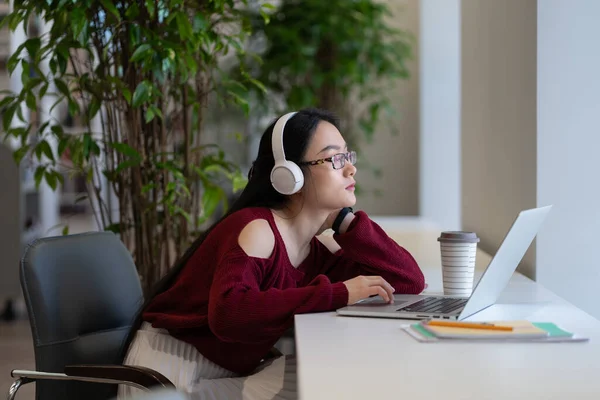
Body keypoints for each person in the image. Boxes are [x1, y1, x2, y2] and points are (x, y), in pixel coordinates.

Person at [118, 108, 425, 400]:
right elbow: (228, 313)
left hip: (220, 373)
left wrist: (346, 222)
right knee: (326, 383)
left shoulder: (313, 251)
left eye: (348, 155)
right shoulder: (257, 229)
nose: (350, 167)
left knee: (340, 372)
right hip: (169, 376)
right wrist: (338, 293)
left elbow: (409, 280)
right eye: (334, 158)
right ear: (290, 176)